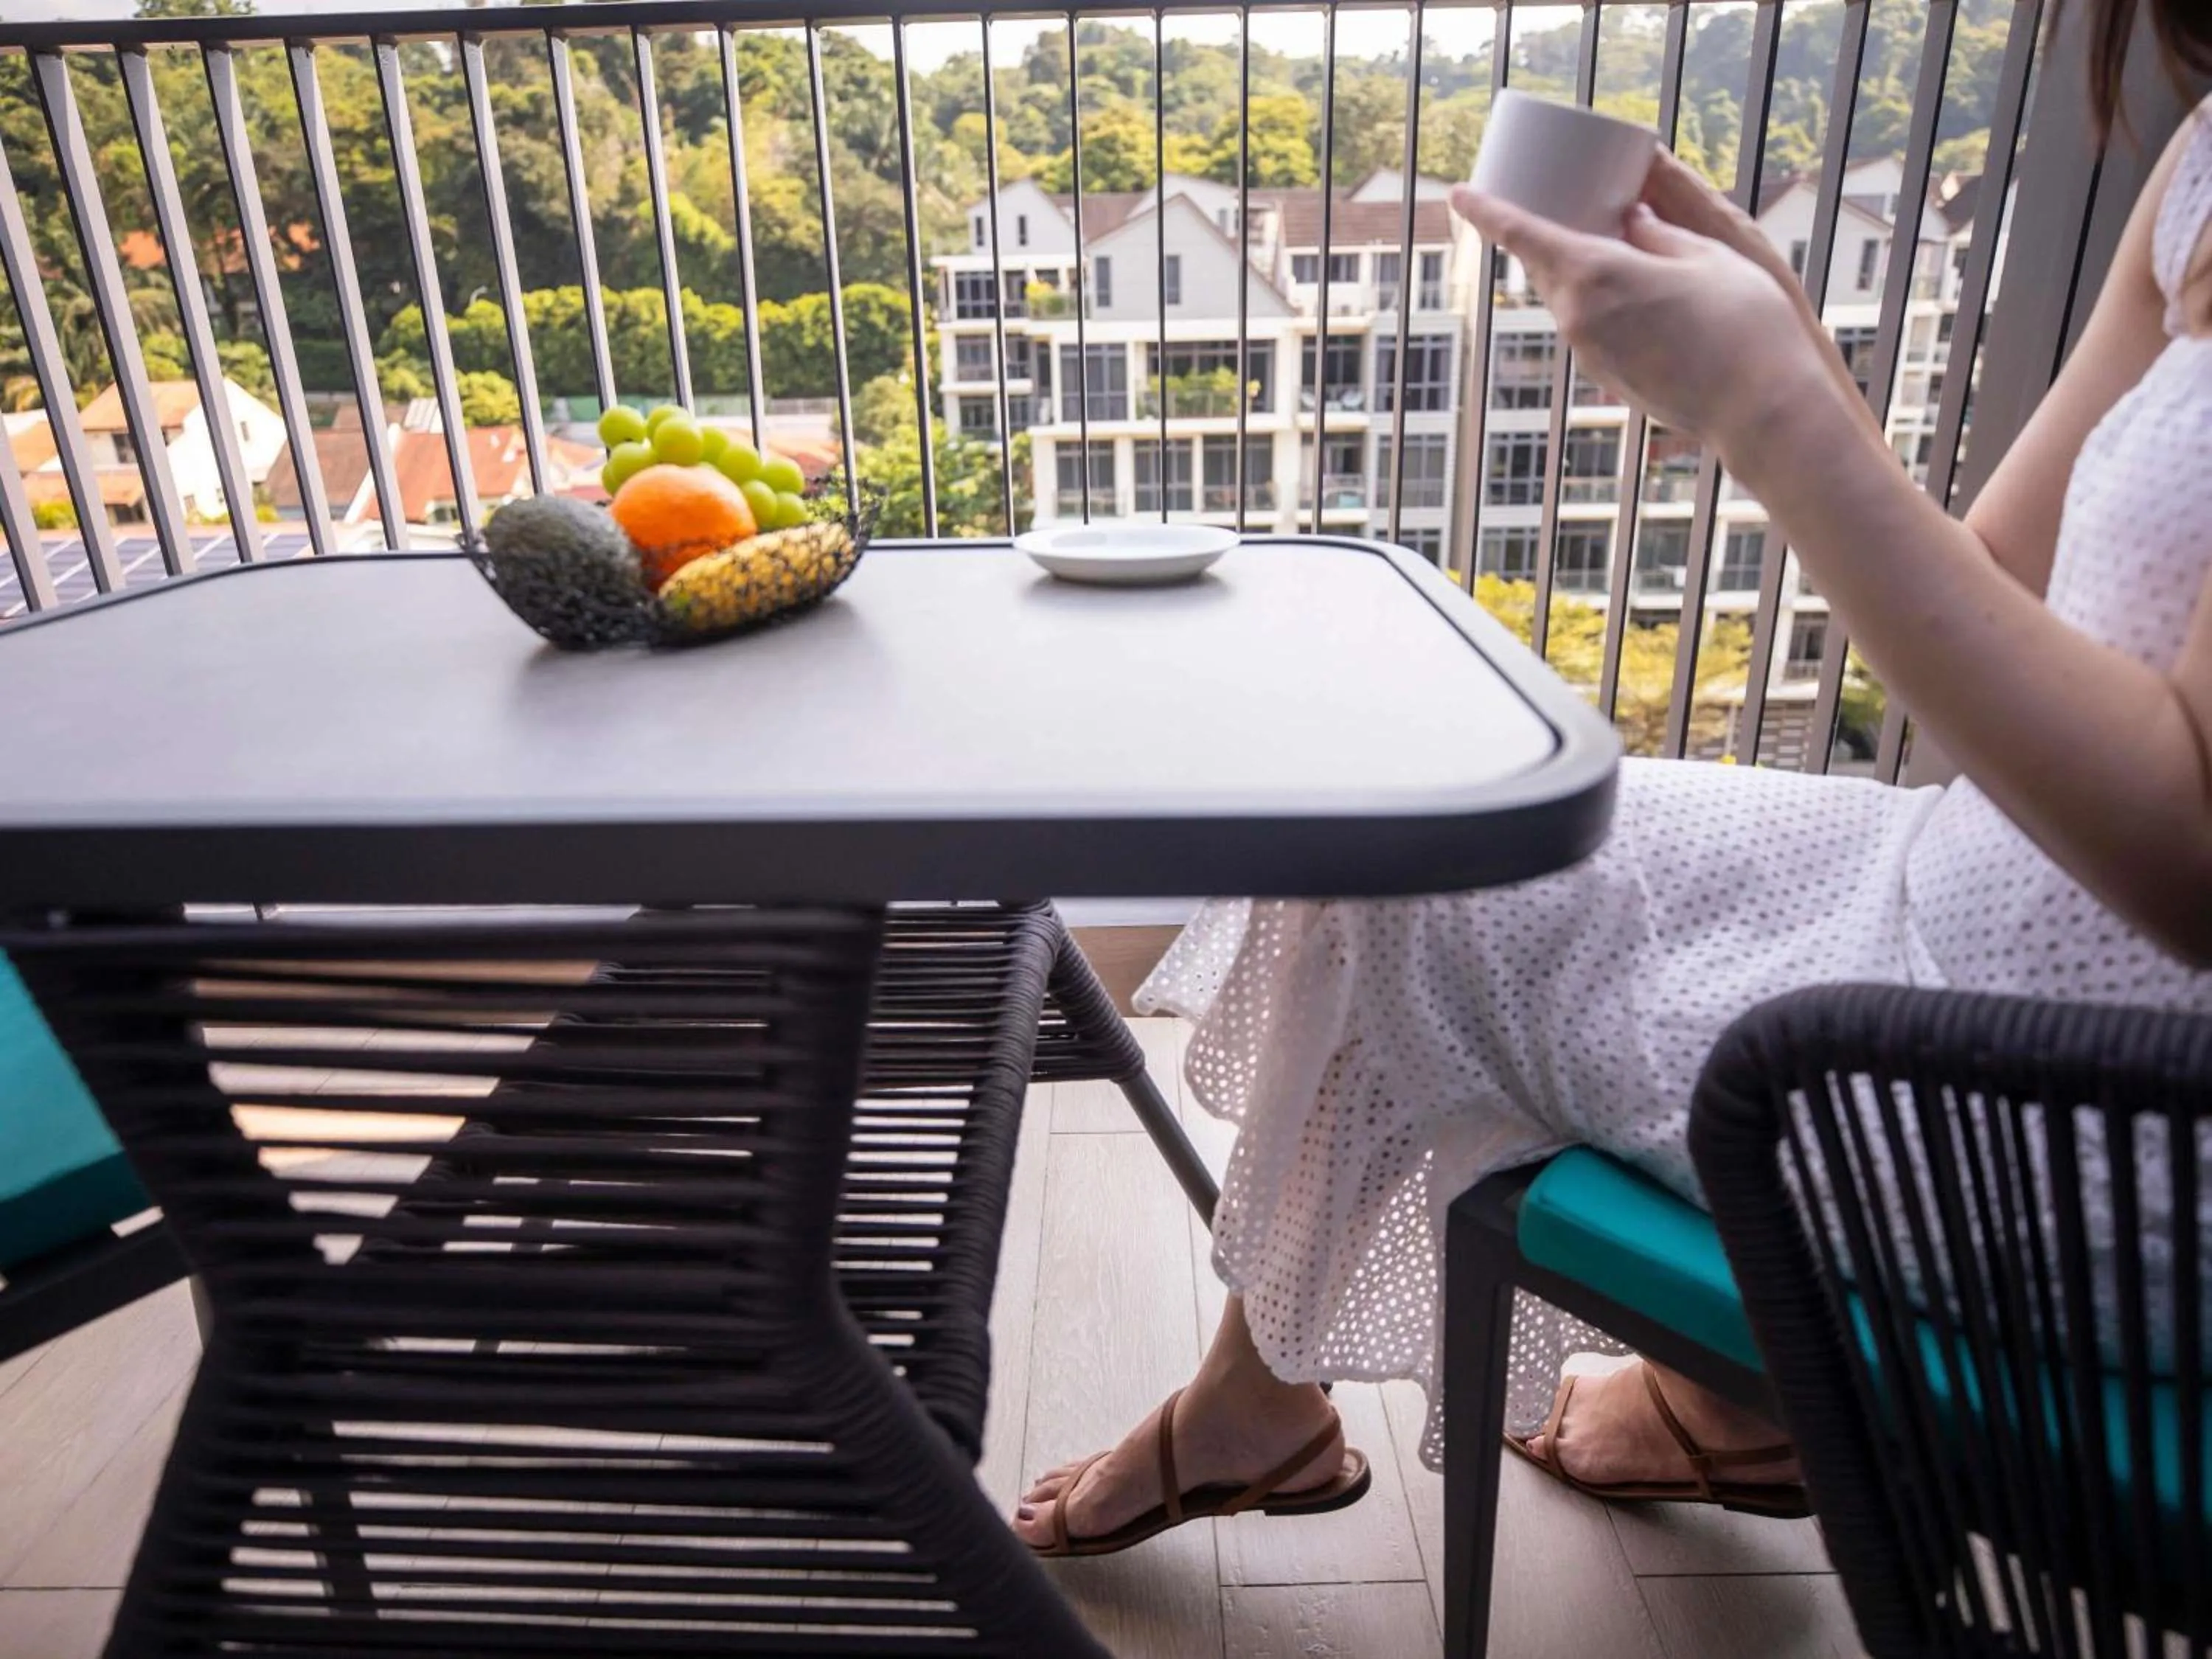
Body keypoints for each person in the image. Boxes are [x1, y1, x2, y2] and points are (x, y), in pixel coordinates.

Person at [1014, 0, 2212, 1558]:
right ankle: (1661, 1408)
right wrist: (1786, 332)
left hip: (2088, 1115)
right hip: (1942, 885)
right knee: (1400, 842)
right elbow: (1998, 576)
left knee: (1439, 917)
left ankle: (1318, 1408)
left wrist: (1769, 410)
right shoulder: (2198, 157)